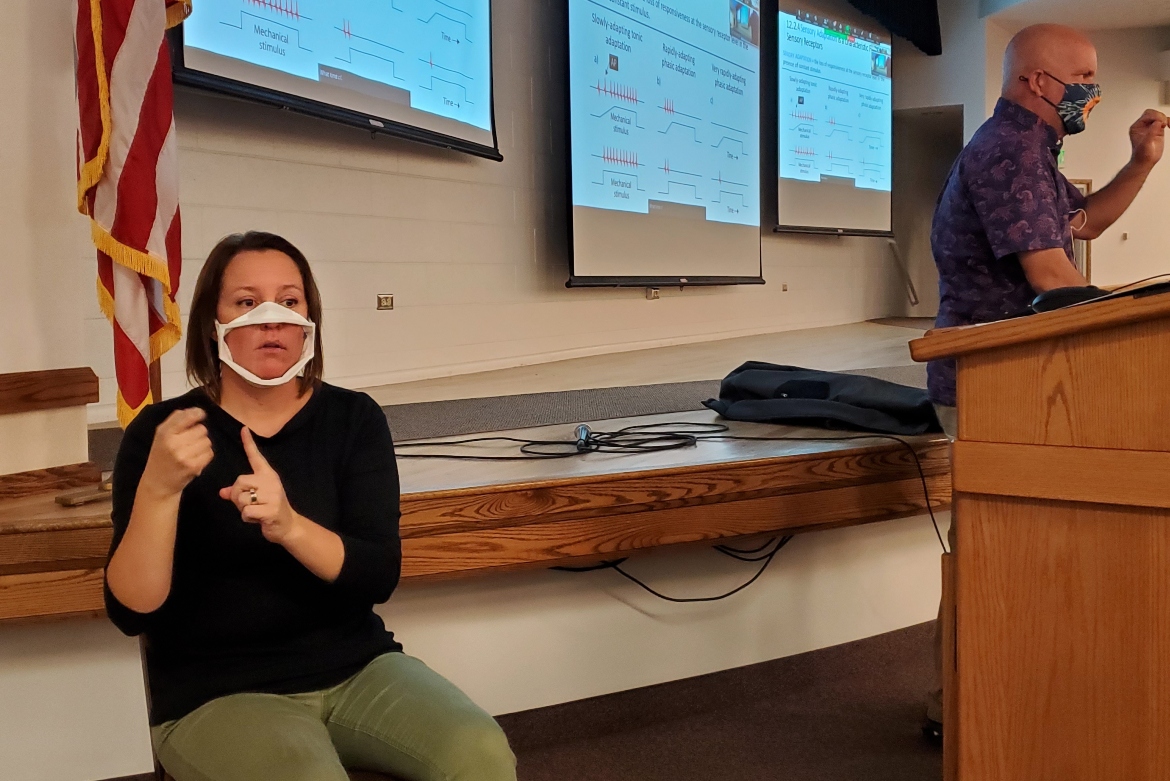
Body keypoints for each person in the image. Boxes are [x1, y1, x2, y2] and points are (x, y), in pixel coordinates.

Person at [104, 231, 517, 781]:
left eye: (289, 301)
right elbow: (132, 612)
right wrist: (158, 492)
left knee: (481, 753)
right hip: (217, 690)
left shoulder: (354, 419)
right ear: (212, 322)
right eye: (247, 302)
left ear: (309, 321)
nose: (271, 319)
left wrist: (290, 525)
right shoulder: (163, 434)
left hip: (358, 668)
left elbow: (377, 574)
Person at [923, 23, 1166, 740]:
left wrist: (1142, 161)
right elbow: (1052, 276)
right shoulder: (1010, 151)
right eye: (1083, 78)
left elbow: (1080, 228)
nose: (1093, 92)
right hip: (998, 385)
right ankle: (965, 710)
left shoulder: (1033, 151)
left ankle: (979, 703)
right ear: (1036, 83)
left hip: (1023, 384)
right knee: (995, 556)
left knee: (1005, 551)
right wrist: (1136, 315)